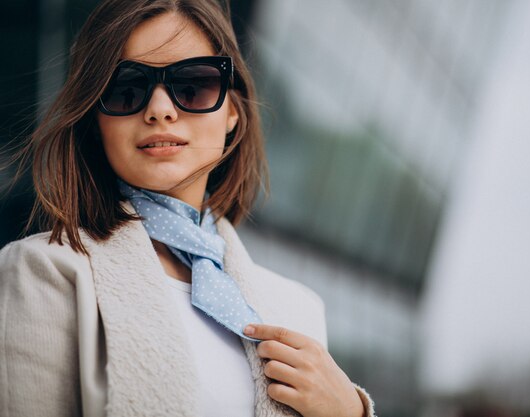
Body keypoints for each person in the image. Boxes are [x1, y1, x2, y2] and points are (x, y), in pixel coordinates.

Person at [0, 1, 375, 416]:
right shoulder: (43, 274)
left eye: (193, 86)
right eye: (127, 90)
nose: (160, 109)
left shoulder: (299, 308)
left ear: (232, 111)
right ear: (95, 119)